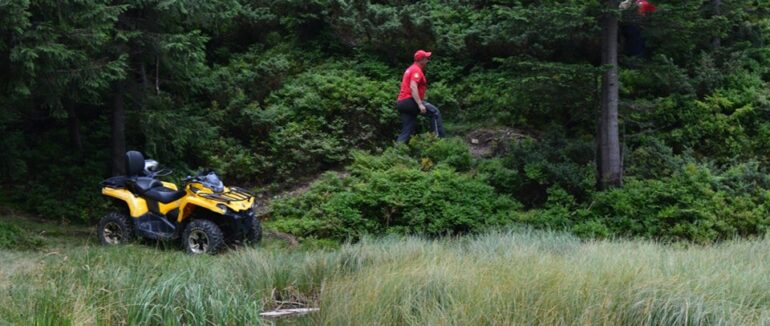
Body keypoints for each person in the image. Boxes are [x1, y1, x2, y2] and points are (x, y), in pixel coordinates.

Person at [395, 50, 445, 143]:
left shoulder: (410, 69)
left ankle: (397, 152)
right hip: (409, 100)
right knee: (434, 112)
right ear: (421, 60)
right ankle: (440, 141)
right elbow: (413, 86)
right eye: (426, 58)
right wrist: (420, 104)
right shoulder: (416, 70)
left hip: (401, 102)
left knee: (407, 129)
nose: (427, 60)